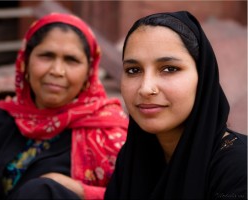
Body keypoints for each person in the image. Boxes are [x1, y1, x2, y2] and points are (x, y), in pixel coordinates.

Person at [0, 13, 128, 200]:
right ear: (25, 62)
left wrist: (79, 190)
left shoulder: (108, 134)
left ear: (89, 73)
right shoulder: (1, 120)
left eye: (71, 60)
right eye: (46, 56)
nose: (57, 71)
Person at [104, 11, 247, 200]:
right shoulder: (133, 158)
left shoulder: (238, 166)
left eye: (169, 69)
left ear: (202, 77)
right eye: (133, 70)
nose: (146, 88)